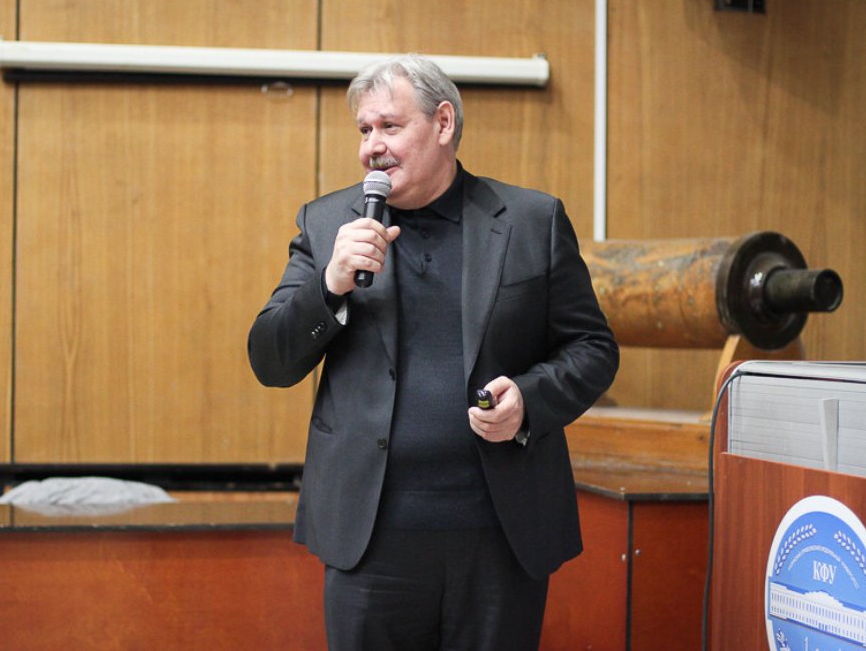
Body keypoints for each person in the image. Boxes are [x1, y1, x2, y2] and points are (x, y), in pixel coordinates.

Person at [248, 54, 618, 650]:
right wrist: (329, 286)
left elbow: (593, 347)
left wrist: (528, 401)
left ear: (443, 123)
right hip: (371, 539)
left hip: (498, 534)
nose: (372, 147)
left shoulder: (531, 220)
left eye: (389, 126)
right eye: (364, 130)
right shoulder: (327, 225)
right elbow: (270, 360)